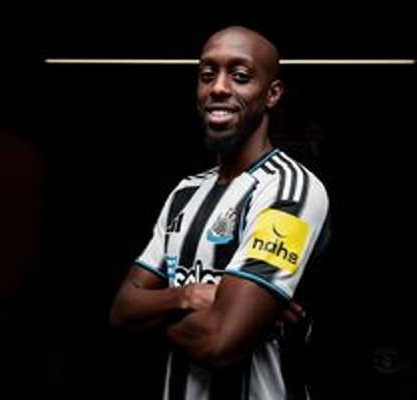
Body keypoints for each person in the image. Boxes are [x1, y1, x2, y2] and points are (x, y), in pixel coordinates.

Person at [110, 25, 330, 400]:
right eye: (207, 75)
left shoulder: (290, 189)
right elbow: (121, 312)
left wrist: (154, 318)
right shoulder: (185, 193)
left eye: (240, 76)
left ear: (273, 93)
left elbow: (219, 342)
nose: (219, 88)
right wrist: (187, 296)